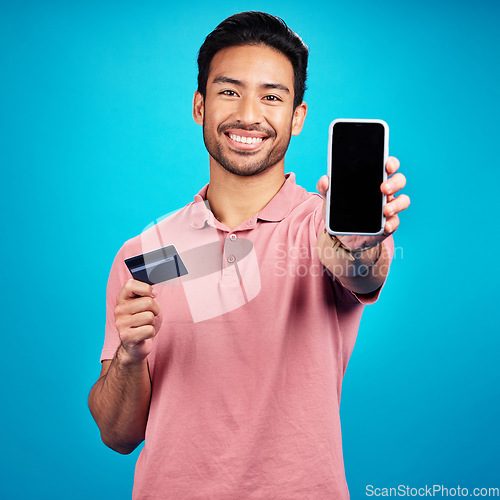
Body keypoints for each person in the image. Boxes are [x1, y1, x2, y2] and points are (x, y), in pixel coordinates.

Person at [88, 11, 410, 499]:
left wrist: (359, 245)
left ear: (297, 117)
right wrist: (130, 357)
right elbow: (118, 435)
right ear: (200, 106)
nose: (249, 114)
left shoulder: (317, 228)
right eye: (229, 91)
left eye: (272, 96)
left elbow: (359, 270)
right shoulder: (146, 253)